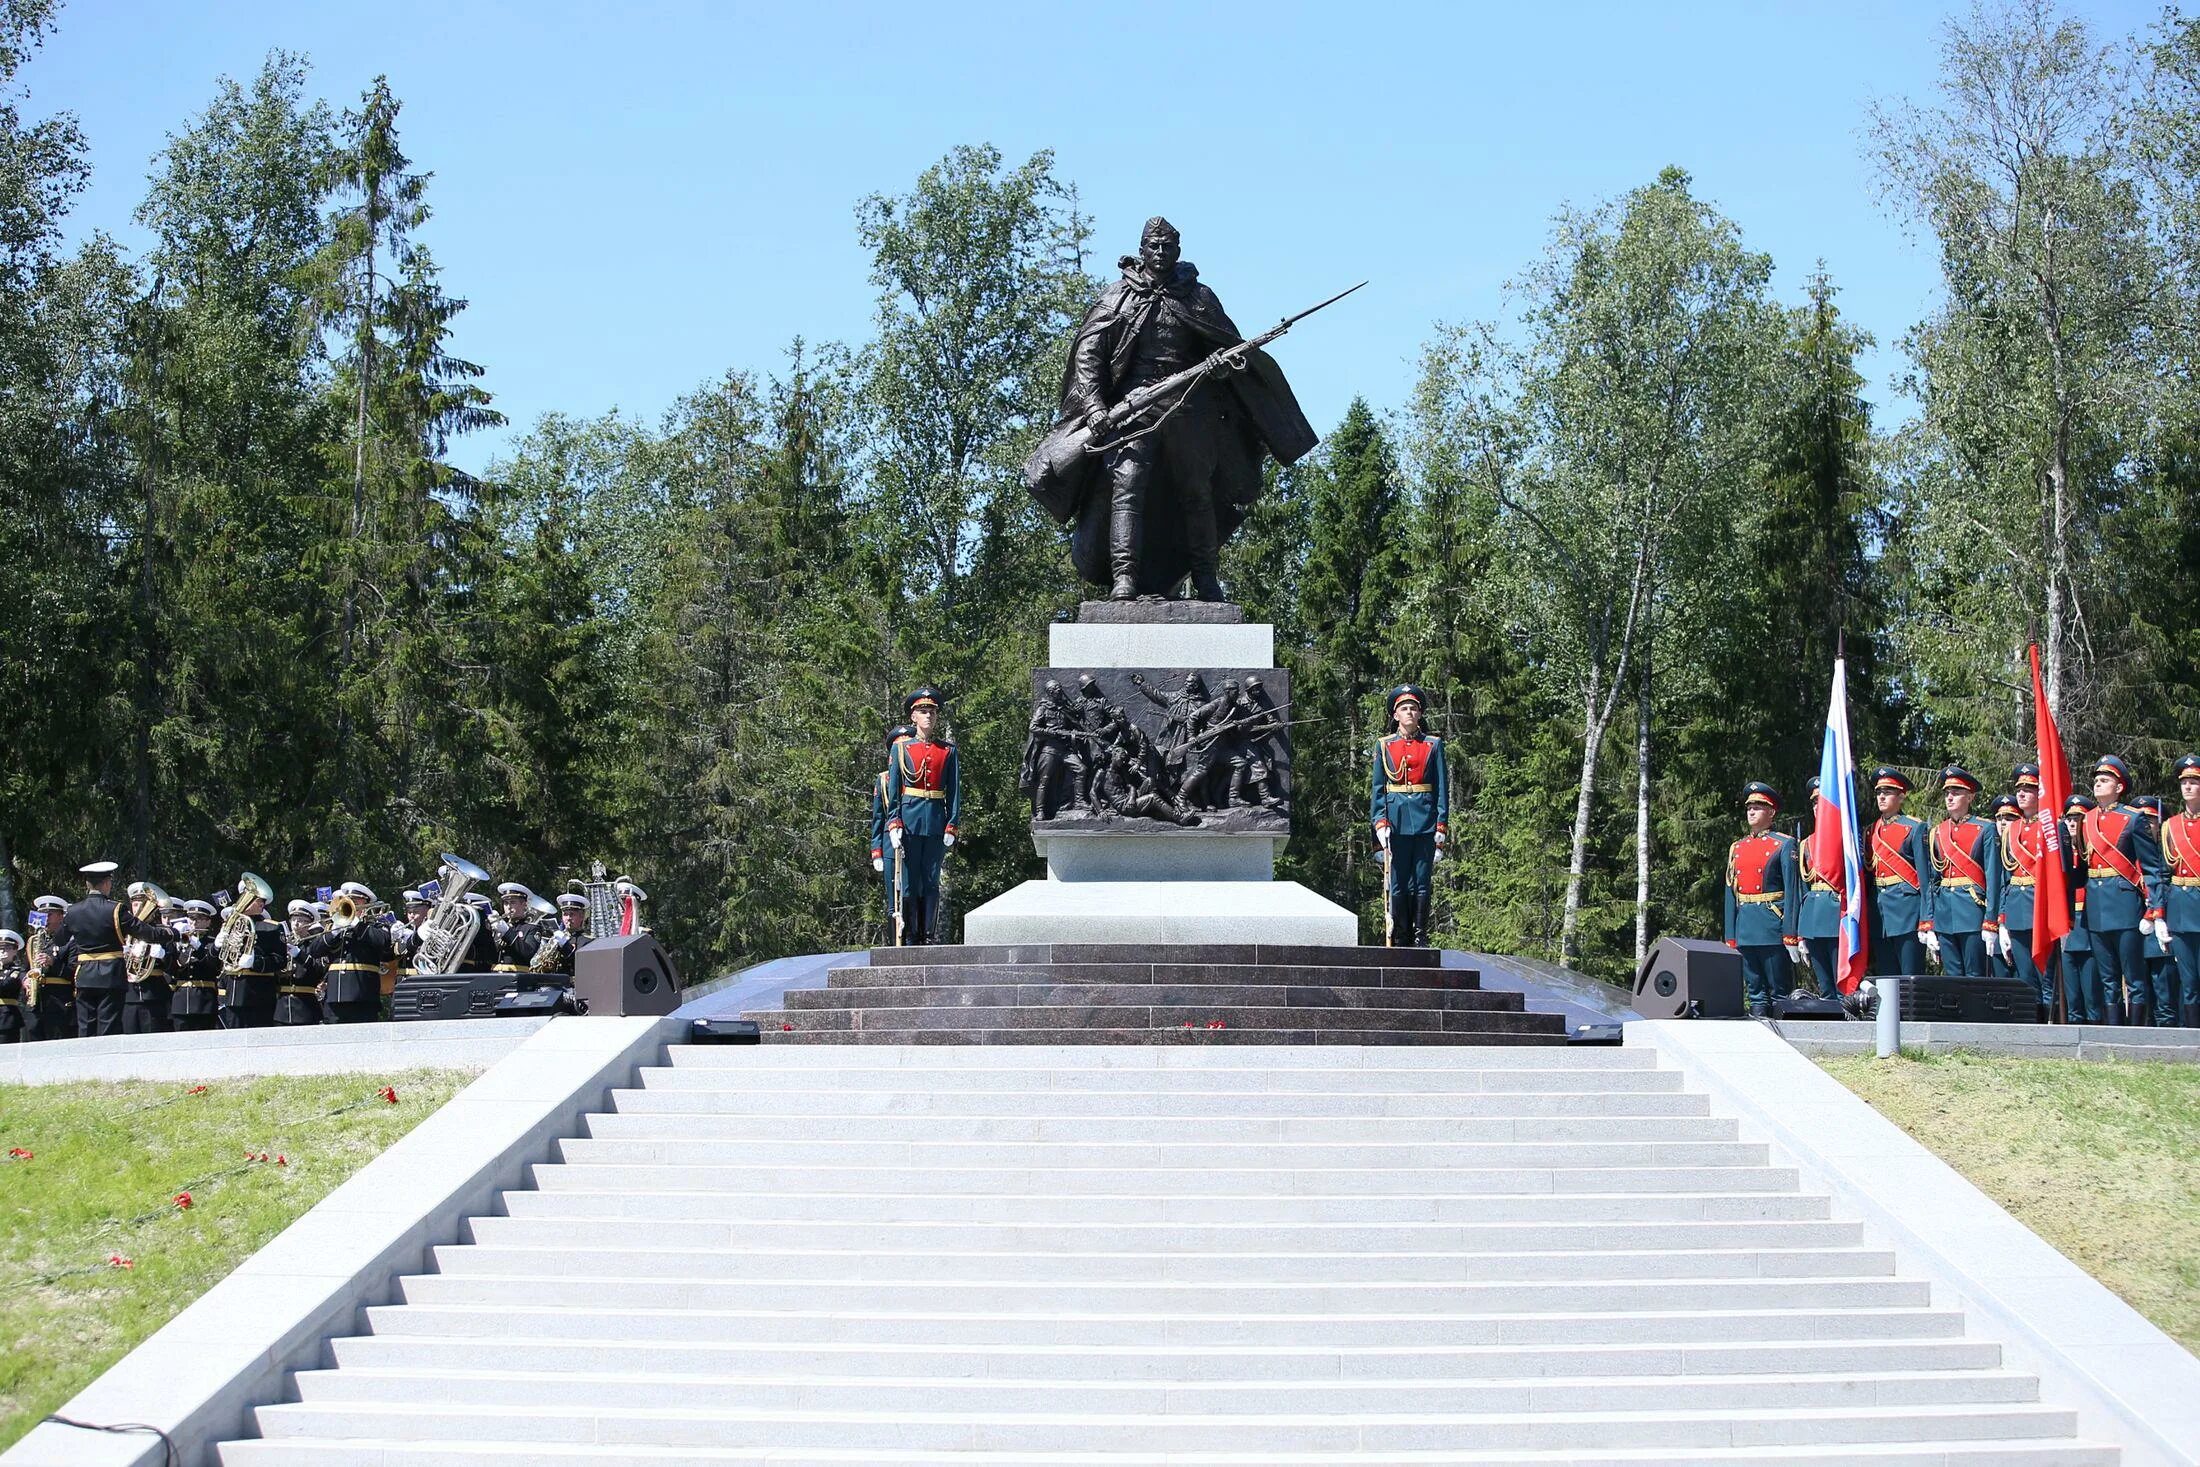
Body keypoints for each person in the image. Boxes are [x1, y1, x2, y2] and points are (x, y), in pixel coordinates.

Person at [1036, 216, 1317, 601]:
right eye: (1154, 245)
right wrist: (1097, 408)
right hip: (1133, 409)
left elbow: (1227, 350)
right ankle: (1124, 579)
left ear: (1178, 251)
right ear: (1142, 250)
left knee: (1197, 492)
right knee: (1127, 488)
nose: (1161, 252)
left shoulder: (1198, 298)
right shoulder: (1117, 297)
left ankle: (1205, 579)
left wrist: (1220, 367)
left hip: (1190, 407)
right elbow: (1088, 356)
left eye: (1168, 246)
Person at [2081, 755, 2167, 1027]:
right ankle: (2113, 1034)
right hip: (2095, 905)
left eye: (2105, 780)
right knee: (2107, 978)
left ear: (2119, 787)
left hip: (2125, 904)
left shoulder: (2133, 819)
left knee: (2134, 977)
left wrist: (2156, 909)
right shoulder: (2087, 820)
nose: (2098, 784)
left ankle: (2136, 1035)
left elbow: (2152, 868)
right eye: (2096, 780)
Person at [44, 861, 175, 1038]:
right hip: (111, 974)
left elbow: (60, 939)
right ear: (107, 883)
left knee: (86, 1026)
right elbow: (148, 933)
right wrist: (170, 932)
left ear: (87, 884)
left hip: (84, 975)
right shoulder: (116, 909)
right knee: (108, 1025)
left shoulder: (73, 911)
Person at [1369, 685, 1448, 949]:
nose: (1410, 712)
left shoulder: (1433, 745)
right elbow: (1378, 789)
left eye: (1414, 708)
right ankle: (1401, 935)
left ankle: (1420, 935)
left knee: (1422, 882)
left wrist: (1441, 826)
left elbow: (1441, 788)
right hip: (1396, 821)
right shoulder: (1384, 746)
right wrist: (1379, 822)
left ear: (1420, 713)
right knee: (1399, 882)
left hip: (1425, 820)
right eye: (1404, 709)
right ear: (1395, 716)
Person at [884, 688, 960, 946]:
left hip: (936, 821)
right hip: (910, 821)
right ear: (913, 717)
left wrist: (953, 823)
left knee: (931, 880)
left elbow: (954, 790)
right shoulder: (902, 749)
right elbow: (894, 789)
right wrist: (894, 821)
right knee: (909, 881)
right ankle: (911, 935)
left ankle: (928, 935)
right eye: (923, 711)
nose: (929, 716)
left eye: (932, 712)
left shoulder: (947, 751)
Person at [1724, 782, 1805, 1016]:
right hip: (1746, 926)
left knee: (1779, 989)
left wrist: (1791, 934)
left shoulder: (1783, 844)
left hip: (1772, 924)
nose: (1751, 811)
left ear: (1771, 812)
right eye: (1749, 807)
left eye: (1758, 807)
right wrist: (1731, 935)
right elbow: (1730, 894)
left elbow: (1792, 892)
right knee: (1755, 990)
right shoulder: (1737, 847)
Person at [1924, 766, 2001, 978]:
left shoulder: (1985, 829)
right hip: (1944, 915)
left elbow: (1993, 878)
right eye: (1947, 793)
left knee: (1975, 979)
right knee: (1952, 980)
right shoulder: (1937, 832)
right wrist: (1930, 923)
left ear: (1970, 796)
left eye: (1956, 793)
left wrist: (1991, 921)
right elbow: (1933, 881)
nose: (1950, 797)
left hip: (1972, 913)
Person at [1994, 768, 2054, 1020]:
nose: (2021, 793)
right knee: (2026, 976)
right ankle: (2033, 1026)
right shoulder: (2012, 830)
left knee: (2047, 976)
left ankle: (2053, 1026)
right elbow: (2006, 879)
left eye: (2028, 789)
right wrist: (2003, 919)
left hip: (2042, 908)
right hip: (2017, 908)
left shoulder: (2051, 827)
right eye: (2019, 789)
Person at [1865, 769, 1934, 976]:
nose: (1882, 797)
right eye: (1879, 793)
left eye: (1888, 792)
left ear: (1901, 796)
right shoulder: (1870, 831)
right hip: (1880, 913)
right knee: (1886, 978)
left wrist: (1926, 919)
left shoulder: (1914, 828)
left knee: (1910, 978)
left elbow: (1925, 878)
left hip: (1907, 912)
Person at [303, 884, 397, 1024]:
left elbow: (382, 941)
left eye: (355, 900)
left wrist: (357, 924)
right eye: (349, 899)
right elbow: (314, 951)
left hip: (363, 995)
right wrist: (334, 932)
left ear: (365, 904)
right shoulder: (334, 928)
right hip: (335, 996)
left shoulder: (376, 925)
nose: (351, 903)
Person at [1795, 777, 1846, 1002]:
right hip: (1812, 919)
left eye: (1822, 802)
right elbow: (1802, 888)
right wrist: (1800, 932)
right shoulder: (1806, 843)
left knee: (1843, 985)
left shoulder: (1846, 839)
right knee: (1825, 988)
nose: (1818, 807)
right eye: (1815, 803)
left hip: (1837, 916)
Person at [2130, 795, 2176, 1026]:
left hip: (2160, 929)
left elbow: (2168, 886)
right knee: (2140, 990)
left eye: (2151, 821)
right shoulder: (2131, 855)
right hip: (2133, 931)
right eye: (2142, 821)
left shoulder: (2166, 855)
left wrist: (2153, 915)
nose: (2146, 826)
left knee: (2164, 992)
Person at [2162, 753, 2200, 1029]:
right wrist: (2160, 914)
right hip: (2180, 908)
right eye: (2184, 782)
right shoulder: (2170, 826)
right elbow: (2164, 873)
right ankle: (2190, 1035)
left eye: (2194, 782)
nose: (2187, 787)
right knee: (2188, 980)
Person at [219, 874, 285, 1029]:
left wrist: (255, 961)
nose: (262, 903)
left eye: (263, 900)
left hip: (260, 993)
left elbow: (279, 960)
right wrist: (217, 946)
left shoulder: (272, 927)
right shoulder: (229, 926)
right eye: (258, 899)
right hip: (234, 993)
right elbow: (219, 960)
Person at [2059, 794, 2100, 1023]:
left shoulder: (2092, 853)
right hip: (2067, 924)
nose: (2073, 823)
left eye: (2078, 818)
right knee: (2071, 996)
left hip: (2088, 923)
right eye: (2069, 818)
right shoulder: (2062, 855)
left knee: (2092, 994)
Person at [872, 722, 916, 931]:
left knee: (912, 896)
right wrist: (877, 852)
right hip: (891, 847)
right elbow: (878, 819)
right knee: (894, 902)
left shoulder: (918, 779)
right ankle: (894, 949)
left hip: (915, 841)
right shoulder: (883, 780)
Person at [120, 883, 176, 1036]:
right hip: (128, 996)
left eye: (142, 904)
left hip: (154, 995)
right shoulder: (122, 932)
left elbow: (175, 968)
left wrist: (163, 955)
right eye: (135, 903)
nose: (138, 907)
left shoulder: (162, 932)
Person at [170, 899, 222, 1032]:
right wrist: (174, 944)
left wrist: (198, 947)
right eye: (191, 918)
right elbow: (171, 968)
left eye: (199, 919)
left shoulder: (213, 943)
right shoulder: (180, 941)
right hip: (181, 1002)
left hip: (204, 1002)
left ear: (208, 921)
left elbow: (213, 966)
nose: (194, 922)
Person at [27, 894, 73, 1040]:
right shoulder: (34, 941)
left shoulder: (70, 941)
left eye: (49, 914)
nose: (44, 919)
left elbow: (74, 972)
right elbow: (24, 968)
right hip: (37, 1001)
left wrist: (53, 963)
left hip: (58, 1001)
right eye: (41, 915)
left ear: (61, 916)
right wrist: (25, 979)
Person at [492, 883, 546, 973]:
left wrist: (507, 932)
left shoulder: (532, 928)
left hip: (517, 978)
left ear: (524, 904)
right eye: (506, 903)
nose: (508, 907)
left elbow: (528, 953)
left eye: (513, 902)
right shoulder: (499, 926)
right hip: (494, 975)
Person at [0, 929, 26, 1043]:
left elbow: (4, 986)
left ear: (15, 950)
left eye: (7, 948)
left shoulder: (16, 971)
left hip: (6, 1019)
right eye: (0, 948)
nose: (2, 951)